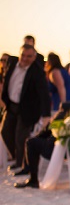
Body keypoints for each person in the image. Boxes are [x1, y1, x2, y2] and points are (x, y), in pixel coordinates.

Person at [1, 44, 51, 175]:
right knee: (5, 131)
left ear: (34, 57)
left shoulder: (37, 72)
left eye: (29, 56)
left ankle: (22, 164)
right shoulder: (12, 64)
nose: (25, 59)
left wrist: (46, 115)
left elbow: (44, 94)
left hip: (28, 110)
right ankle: (17, 158)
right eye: (23, 55)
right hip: (11, 105)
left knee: (21, 137)